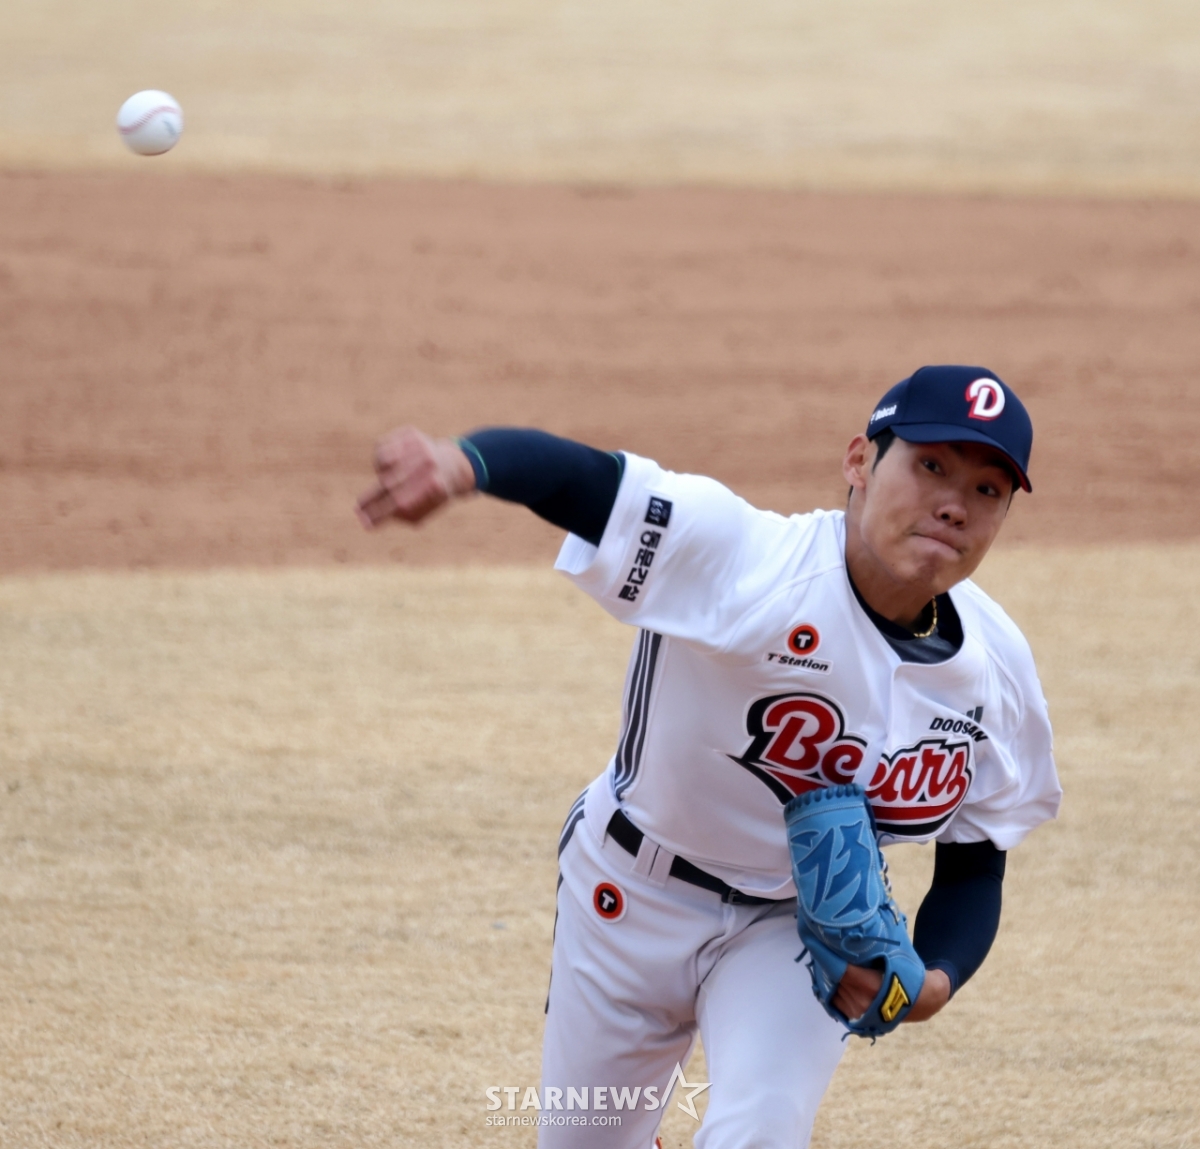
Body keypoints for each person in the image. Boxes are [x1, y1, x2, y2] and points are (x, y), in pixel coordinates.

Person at [356, 365, 1062, 1149]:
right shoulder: (751, 561)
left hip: (792, 930)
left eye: (987, 489)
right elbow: (592, 483)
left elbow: (976, 862)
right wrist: (461, 464)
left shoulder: (995, 668)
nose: (954, 503)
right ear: (860, 461)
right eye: (930, 465)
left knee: (760, 1131)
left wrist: (934, 979)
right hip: (628, 894)